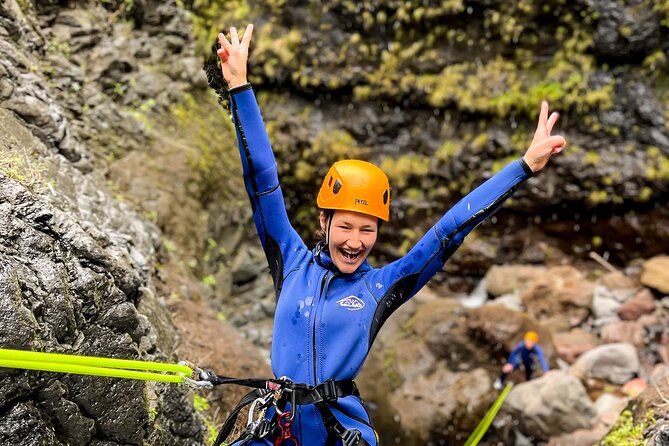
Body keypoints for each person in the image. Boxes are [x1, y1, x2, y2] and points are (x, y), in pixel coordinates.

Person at [214, 23, 566, 446]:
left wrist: (523, 166)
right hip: (277, 429)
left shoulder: (381, 286)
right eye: (344, 226)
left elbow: (449, 230)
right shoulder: (289, 260)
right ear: (323, 223)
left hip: (341, 435)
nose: (355, 241)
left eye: (367, 230)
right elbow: (262, 179)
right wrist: (240, 87)